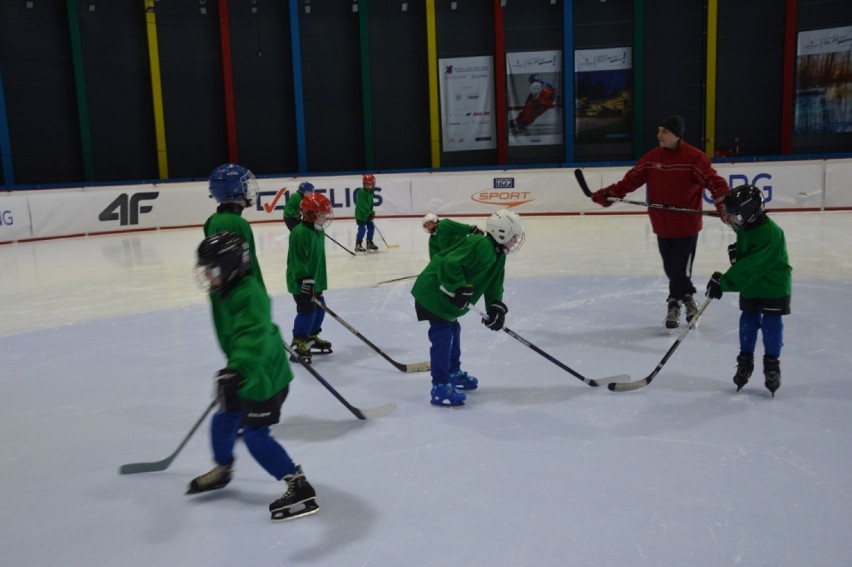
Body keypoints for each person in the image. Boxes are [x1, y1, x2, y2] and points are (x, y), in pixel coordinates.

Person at [188, 232, 318, 522]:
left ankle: (298, 485)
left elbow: (252, 335)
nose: (207, 275)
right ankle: (223, 469)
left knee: (257, 436)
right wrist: (234, 368)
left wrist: (238, 369)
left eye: (212, 268)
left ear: (231, 266)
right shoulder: (222, 290)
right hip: (242, 368)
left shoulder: (249, 294)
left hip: (264, 375)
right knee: (223, 420)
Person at [590, 114, 730, 329]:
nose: (659, 135)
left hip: (686, 227)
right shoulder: (652, 158)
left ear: (677, 134)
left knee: (680, 271)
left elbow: (715, 183)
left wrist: (724, 204)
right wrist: (608, 194)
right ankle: (688, 298)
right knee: (671, 270)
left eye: (664, 131)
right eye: (659, 130)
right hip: (661, 226)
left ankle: (674, 303)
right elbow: (630, 181)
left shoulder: (694, 158)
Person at [411, 209, 525, 407]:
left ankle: (453, 372)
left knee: (454, 328)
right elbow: (448, 263)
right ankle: (440, 386)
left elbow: (494, 282)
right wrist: (459, 287)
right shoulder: (480, 244)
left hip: (444, 298)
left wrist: (495, 306)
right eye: (513, 236)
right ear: (501, 233)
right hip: (432, 293)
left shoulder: (499, 255)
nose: (515, 241)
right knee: (443, 333)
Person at [705, 185, 791, 397]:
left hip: (773, 284)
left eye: (735, 215)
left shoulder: (772, 233)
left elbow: (753, 265)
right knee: (748, 319)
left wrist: (724, 282)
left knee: (771, 321)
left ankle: (772, 365)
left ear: (749, 213)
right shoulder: (746, 225)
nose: (731, 219)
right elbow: (742, 234)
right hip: (751, 283)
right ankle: (745, 361)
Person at [287, 192, 334, 363]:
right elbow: (297, 260)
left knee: (320, 308)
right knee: (307, 310)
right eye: (322, 215)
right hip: (302, 280)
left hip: (316, 279)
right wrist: (304, 279)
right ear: (310, 214)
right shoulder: (299, 233)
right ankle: (298, 340)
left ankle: (311, 336)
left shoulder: (318, 231)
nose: (326, 218)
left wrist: (317, 279)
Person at [204, 162, 266, 290]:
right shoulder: (235, 223)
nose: (248, 190)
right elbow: (240, 267)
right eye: (244, 185)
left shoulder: (213, 220)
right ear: (233, 189)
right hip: (245, 298)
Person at [354, 173, 378, 253]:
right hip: (360, 214)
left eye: (370, 185)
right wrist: (369, 212)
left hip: (367, 213)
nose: (368, 186)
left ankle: (369, 242)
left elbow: (370, 203)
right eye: (367, 185)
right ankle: (358, 244)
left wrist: (371, 211)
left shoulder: (371, 192)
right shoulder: (361, 192)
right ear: (364, 184)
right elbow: (363, 206)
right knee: (362, 228)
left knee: (371, 226)